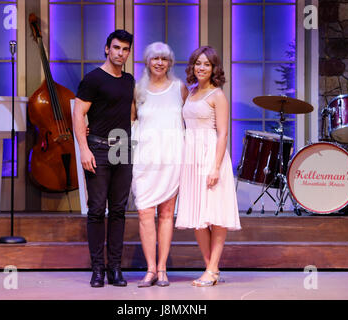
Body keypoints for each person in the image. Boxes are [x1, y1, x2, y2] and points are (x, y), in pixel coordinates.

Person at [73, 30, 134, 288]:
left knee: (119, 211)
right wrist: (84, 149)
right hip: (97, 148)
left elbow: (130, 115)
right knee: (97, 210)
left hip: (123, 148)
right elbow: (78, 115)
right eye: (116, 48)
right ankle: (98, 269)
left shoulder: (129, 80)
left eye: (125, 49)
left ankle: (115, 269)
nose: (121, 53)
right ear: (107, 48)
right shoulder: (93, 79)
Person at [175, 46, 241, 287]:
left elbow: (223, 134)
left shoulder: (217, 96)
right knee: (198, 216)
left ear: (214, 69)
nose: (201, 67)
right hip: (191, 157)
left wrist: (215, 167)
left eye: (207, 64)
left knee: (215, 214)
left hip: (211, 156)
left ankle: (212, 269)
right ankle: (210, 268)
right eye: (198, 63)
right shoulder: (190, 92)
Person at [131, 42, 188, 288]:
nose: (159, 63)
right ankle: (150, 269)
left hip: (172, 159)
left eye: (164, 59)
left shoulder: (179, 88)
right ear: (147, 61)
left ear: (170, 63)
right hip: (144, 159)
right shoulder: (137, 90)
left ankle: (162, 269)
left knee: (166, 214)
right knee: (144, 213)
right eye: (155, 58)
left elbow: (190, 122)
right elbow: (130, 124)